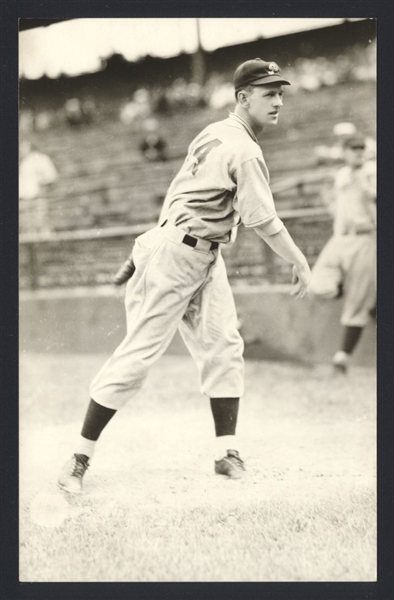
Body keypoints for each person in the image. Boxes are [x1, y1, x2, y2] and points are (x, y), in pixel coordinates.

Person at [58, 58, 312, 493]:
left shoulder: (214, 131)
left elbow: (180, 194)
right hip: (178, 255)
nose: (278, 101)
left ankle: (225, 452)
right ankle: (79, 457)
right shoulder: (244, 148)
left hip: (199, 253)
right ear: (243, 97)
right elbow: (263, 221)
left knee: (225, 346)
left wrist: (148, 244)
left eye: (280, 92)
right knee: (138, 357)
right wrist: (299, 260)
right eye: (269, 93)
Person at [310, 133, 376, 373]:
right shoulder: (342, 175)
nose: (358, 152)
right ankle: (343, 287)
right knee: (317, 284)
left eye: (361, 148)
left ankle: (342, 357)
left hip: (366, 240)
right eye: (353, 148)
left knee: (357, 303)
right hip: (340, 239)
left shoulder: (374, 171)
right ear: (345, 152)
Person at [19, 140, 58, 233]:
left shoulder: (40, 158)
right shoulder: (23, 162)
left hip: (38, 197)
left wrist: (42, 191)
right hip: (24, 199)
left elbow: (51, 177)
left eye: (22, 146)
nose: (20, 149)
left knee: (41, 224)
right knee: (27, 228)